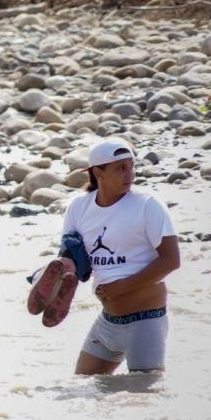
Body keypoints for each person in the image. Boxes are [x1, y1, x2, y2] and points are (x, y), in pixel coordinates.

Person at [28, 139, 180, 374]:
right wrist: (67, 270)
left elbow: (171, 260)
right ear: (98, 172)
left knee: (146, 399)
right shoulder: (79, 207)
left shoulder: (147, 205)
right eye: (120, 168)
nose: (129, 174)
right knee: (83, 391)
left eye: (131, 167)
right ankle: (44, 281)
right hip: (108, 323)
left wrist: (122, 287)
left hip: (145, 321)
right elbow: (74, 252)